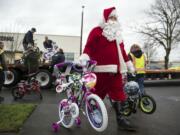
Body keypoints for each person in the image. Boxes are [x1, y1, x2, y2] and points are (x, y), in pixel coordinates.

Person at [79, 7, 135, 130]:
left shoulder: (118, 35)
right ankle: (94, 113)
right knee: (96, 94)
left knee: (118, 94)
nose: (114, 20)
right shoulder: (97, 31)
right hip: (100, 71)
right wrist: (85, 55)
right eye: (111, 17)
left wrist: (128, 63)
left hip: (116, 71)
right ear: (105, 19)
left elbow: (123, 52)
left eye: (115, 18)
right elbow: (89, 46)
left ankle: (121, 121)